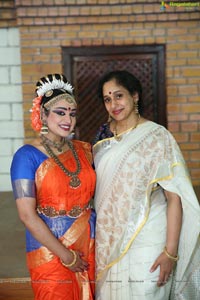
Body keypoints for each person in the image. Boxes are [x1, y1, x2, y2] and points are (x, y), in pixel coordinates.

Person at [92, 70, 200, 300]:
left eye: (119, 96)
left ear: (135, 95)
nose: (114, 104)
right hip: (109, 239)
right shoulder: (101, 139)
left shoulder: (157, 137)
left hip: (150, 236)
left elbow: (174, 198)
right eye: (107, 99)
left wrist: (170, 252)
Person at [10, 74, 96, 300]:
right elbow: (27, 216)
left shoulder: (85, 150)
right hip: (49, 251)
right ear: (42, 114)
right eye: (60, 112)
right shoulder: (26, 156)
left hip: (90, 243)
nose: (68, 119)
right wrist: (66, 256)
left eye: (72, 113)